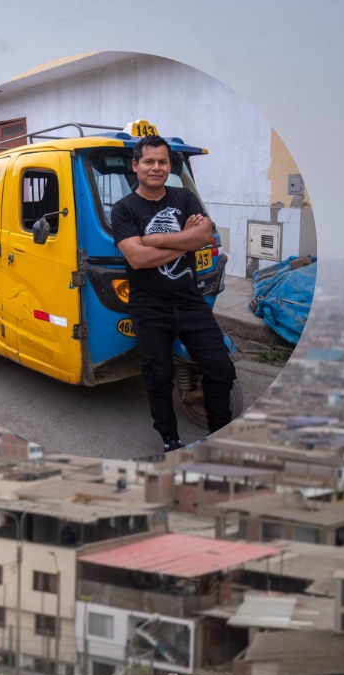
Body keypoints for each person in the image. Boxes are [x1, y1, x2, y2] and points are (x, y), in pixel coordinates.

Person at [111, 135, 237, 453]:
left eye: (163, 162)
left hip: (190, 301)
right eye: (149, 161)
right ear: (135, 165)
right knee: (158, 377)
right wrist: (186, 239)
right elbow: (137, 260)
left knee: (221, 369)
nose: (157, 167)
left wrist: (152, 240)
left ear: (169, 165)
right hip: (149, 306)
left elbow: (205, 235)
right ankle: (170, 438)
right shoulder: (124, 209)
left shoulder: (184, 197)